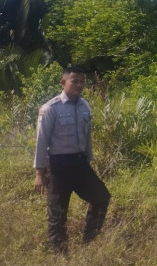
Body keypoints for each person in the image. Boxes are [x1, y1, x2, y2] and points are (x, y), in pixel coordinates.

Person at [34, 65, 111, 253]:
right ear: (63, 82)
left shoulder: (85, 106)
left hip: (79, 164)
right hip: (58, 166)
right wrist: (39, 173)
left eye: (82, 82)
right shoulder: (50, 108)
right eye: (74, 81)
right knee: (58, 212)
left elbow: (87, 136)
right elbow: (41, 142)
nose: (79, 85)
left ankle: (89, 242)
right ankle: (59, 253)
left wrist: (89, 160)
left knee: (101, 197)